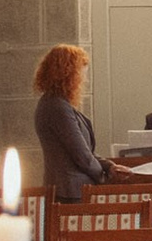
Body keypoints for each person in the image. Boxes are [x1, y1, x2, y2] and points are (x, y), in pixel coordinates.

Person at [33, 43, 111, 202]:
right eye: (81, 74)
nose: (84, 79)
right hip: (69, 192)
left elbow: (85, 150)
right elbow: (81, 155)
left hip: (71, 189)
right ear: (68, 75)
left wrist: (109, 166)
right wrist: (104, 177)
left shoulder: (57, 103)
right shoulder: (57, 107)